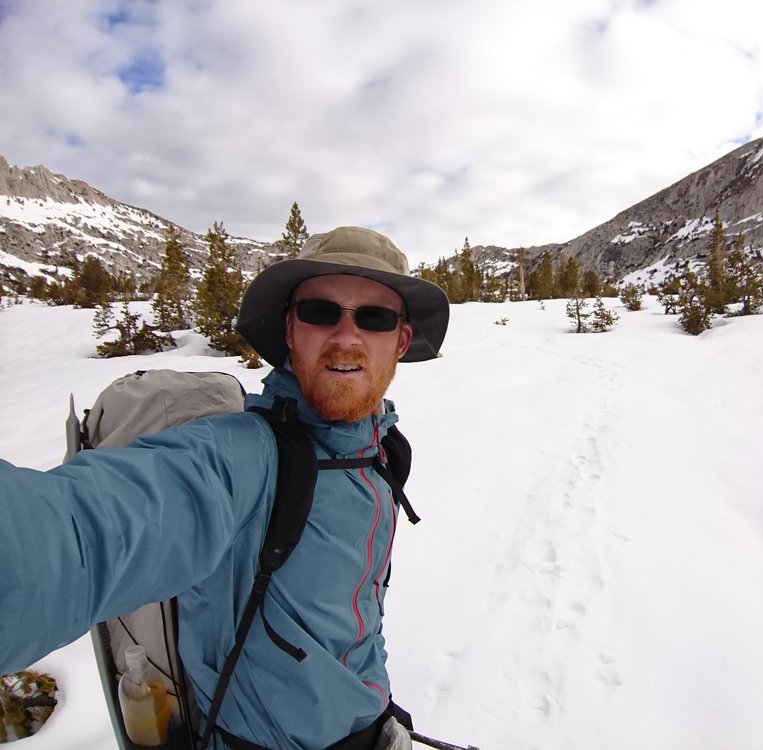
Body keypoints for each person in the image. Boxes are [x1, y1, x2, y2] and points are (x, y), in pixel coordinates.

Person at [0, 226, 450, 750]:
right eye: (320, 312)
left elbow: (355, 618)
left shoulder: (382, 452)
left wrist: (374, 706)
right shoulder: (240, 457)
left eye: (374, 317)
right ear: (289, 329)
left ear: (399, 338)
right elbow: (77, 538)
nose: (346, 337)